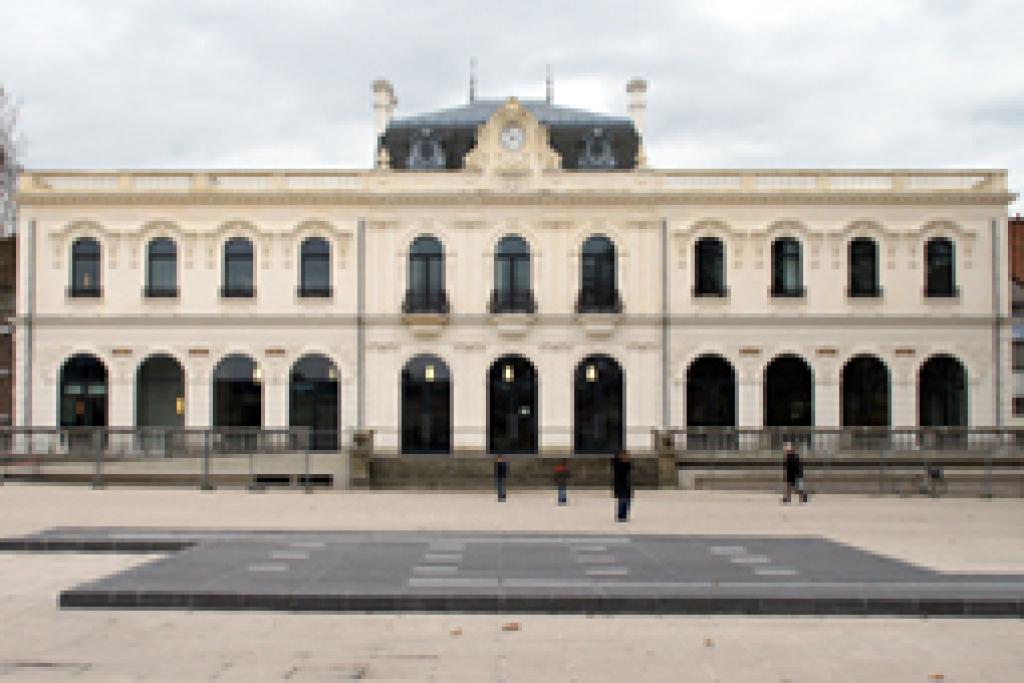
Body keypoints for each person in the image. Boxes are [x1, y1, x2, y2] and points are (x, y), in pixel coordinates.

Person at [612, 449, 633, 521]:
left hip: (626, 484)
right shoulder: (619, 464)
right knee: (622, 500)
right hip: (621, 485)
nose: (627, 456)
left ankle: (623, 515)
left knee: (626, 500)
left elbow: (628, 470)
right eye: (625, 455)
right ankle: (621, 516)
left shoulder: (626, 464)